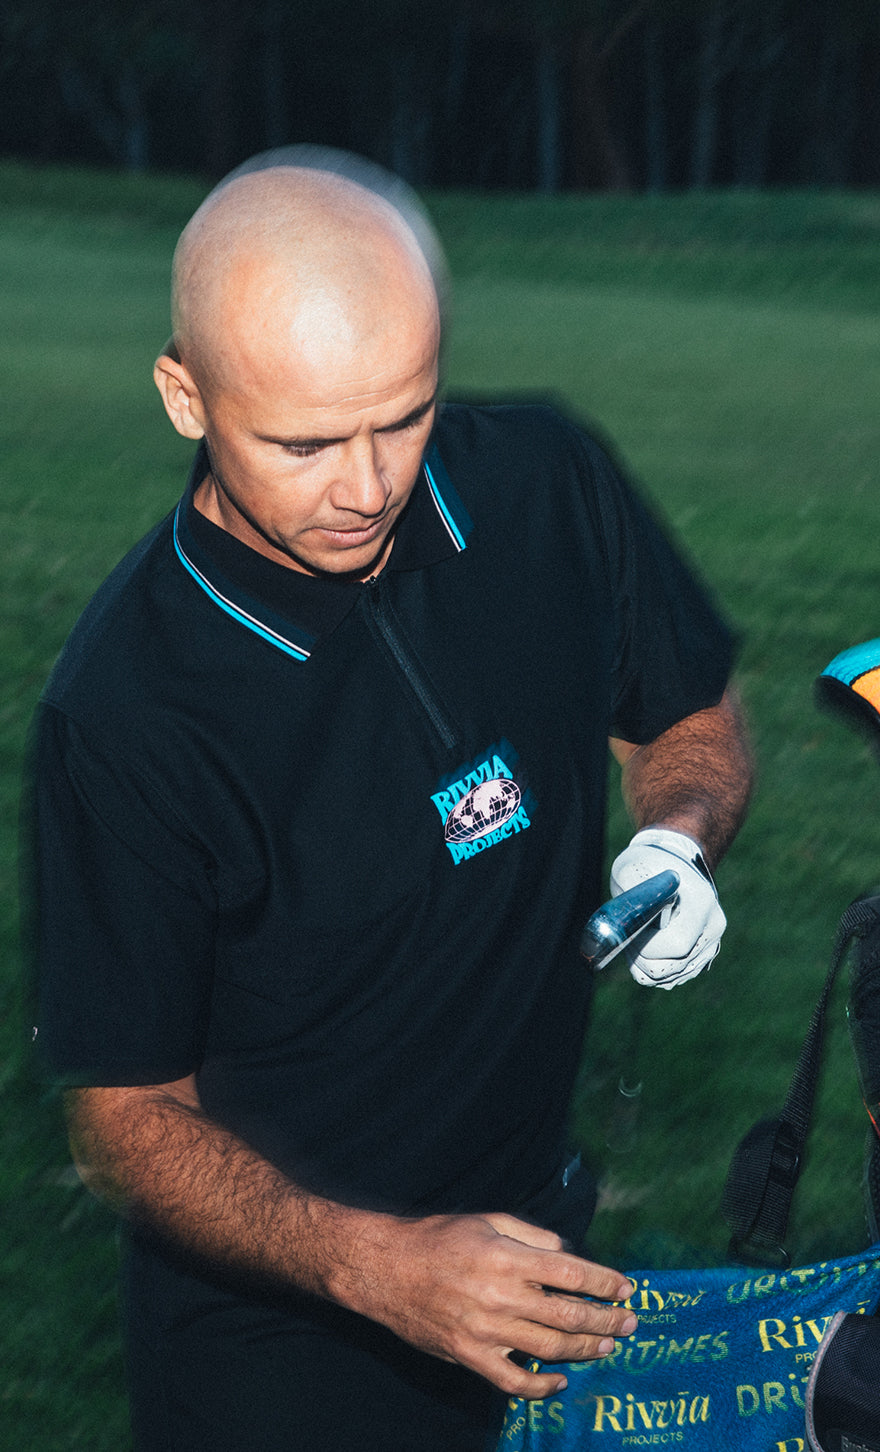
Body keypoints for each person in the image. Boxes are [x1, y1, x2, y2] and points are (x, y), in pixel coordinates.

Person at [28, 154, 753, 1452]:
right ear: (186, 397)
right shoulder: (128, 710)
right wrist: (382, 1267)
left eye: (403, 418)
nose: (367, 489)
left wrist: (678, 837)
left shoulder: (546, 481)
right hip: (280, 1356)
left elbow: (687, 710)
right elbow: (124, 1121)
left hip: (542, 1266)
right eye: (302, 444)